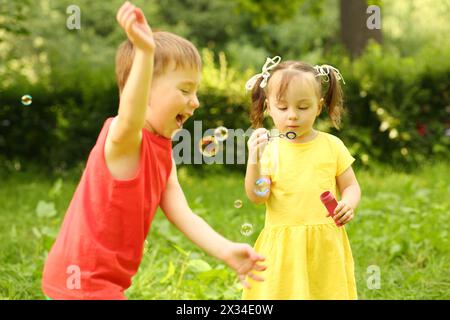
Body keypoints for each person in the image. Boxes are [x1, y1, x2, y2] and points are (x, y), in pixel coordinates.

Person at [42, 1, 266, 300]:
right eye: (185, 90)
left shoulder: (163, 154)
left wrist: (225, 250)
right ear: (143, 91)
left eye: (196, 91)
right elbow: (131, 113)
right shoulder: (123, 140)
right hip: (82, 280)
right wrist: (145, 52)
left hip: (108, 282)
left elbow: (182, 214)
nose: (195, 101)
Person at [242, 56, 361, 299]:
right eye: (283, 107)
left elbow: (351, 186)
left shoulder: (332, 145)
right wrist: (253, 159)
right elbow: (257, 195)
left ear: (318, 107)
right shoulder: (270, 150)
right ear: (269, 108)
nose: (293, 115)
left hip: (325, 245)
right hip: (284, 248)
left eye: (303, 107)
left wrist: (348, 203)